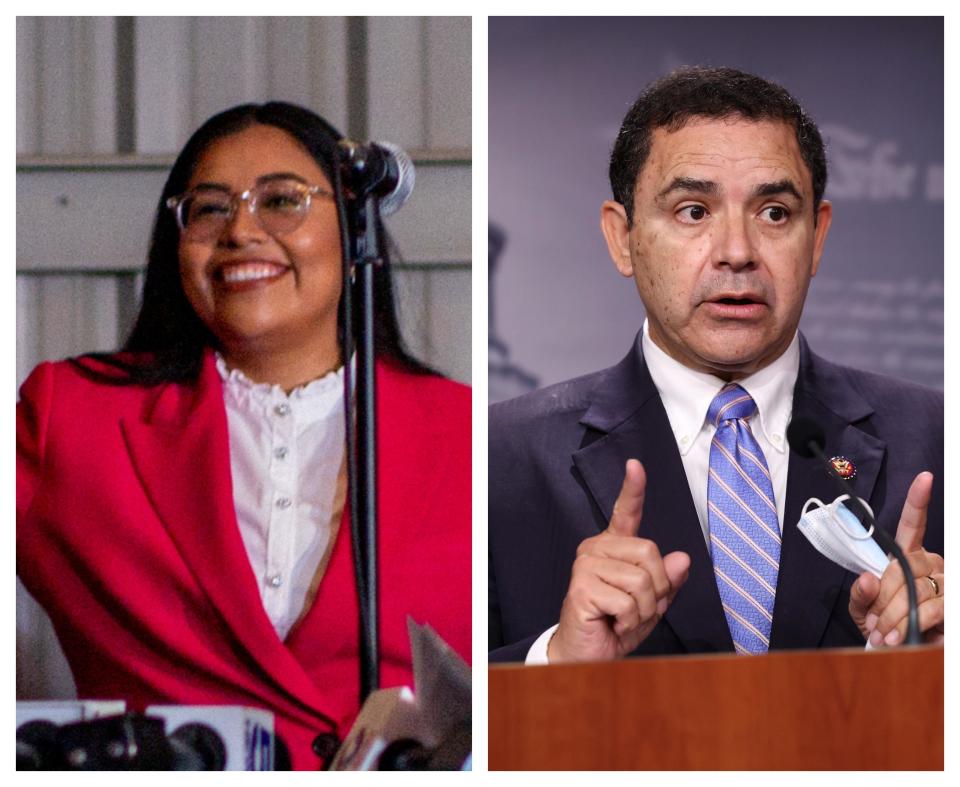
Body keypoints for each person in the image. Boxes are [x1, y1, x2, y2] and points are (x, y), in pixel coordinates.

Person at [17, 102, 471, 768]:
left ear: (353, 233)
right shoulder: (73, 416)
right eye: (208, 208)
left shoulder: (467, 433)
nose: (242, 230)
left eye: (283, 200)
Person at [488, 67, 943, 664]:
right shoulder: (502, 459)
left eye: (775, 213)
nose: (737, 252)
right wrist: (557, 663)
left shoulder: (936, 437)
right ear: (622, 238)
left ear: (818, 237)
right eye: (693, 211)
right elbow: (449, 726)